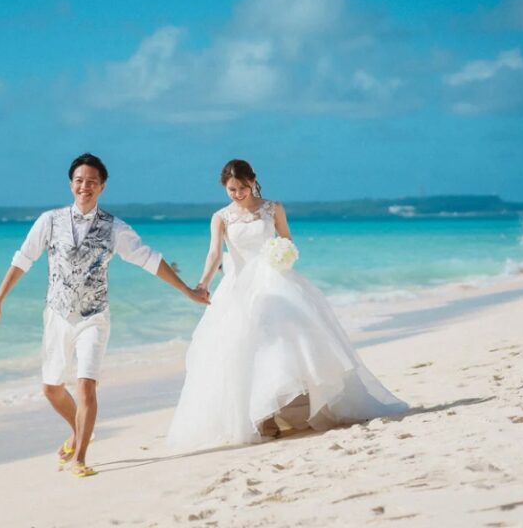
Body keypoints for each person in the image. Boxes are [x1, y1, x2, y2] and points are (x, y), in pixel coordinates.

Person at [0, 153, 208, 477]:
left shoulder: (114, 227)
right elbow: (23, 259)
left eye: (91, 182)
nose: (84, 187)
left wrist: (187, 291)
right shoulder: (49, 221)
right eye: (79, 181)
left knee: (86, 385)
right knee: (51, 388)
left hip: (94, 317)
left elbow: (149, 259)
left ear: (102, 186)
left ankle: (80, 459)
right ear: (71, 184)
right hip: (58, 315)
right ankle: (78, 432)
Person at [167, 159, 407, 451]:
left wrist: (281, 255)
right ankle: (261, 419)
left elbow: (287, 241)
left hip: (275, 282)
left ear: (253, 181)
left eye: (242, 187)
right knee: (243, 348)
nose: (238, 194)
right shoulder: (221, 217)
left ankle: (292, 409)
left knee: (285, 346)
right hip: (239, 288)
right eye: (232, 189)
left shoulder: (273, 208)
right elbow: (214, 254)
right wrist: (203, 283)